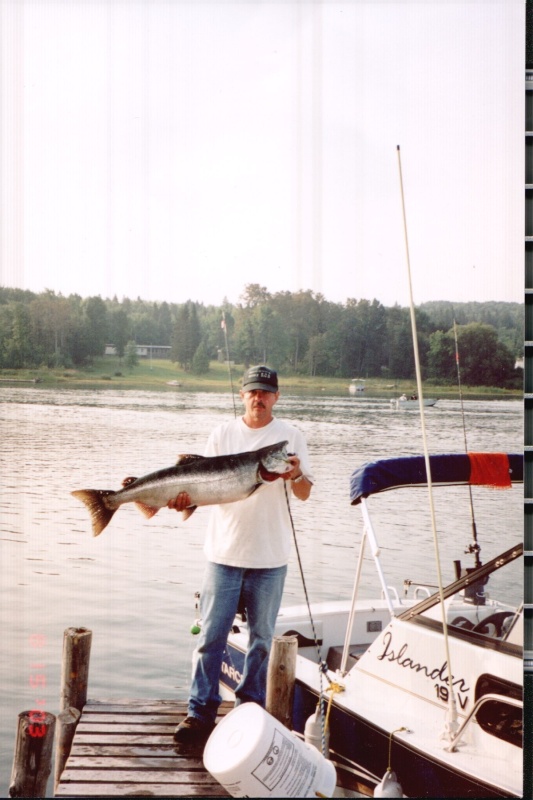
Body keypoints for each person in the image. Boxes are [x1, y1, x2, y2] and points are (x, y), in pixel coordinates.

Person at [169, 365, 314, 751]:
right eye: (252, 392)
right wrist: (185, 500)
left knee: (261, 641)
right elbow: (201, 486)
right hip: (223, 553)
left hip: (271, 557)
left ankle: (249, 709)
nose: (259, 398)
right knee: (211, 638)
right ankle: (200, 712)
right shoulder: (223, 433)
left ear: (276, 397)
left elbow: (304, 493)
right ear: (242, 394)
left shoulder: (291, 437)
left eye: (266, 392)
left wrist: (296, 475)